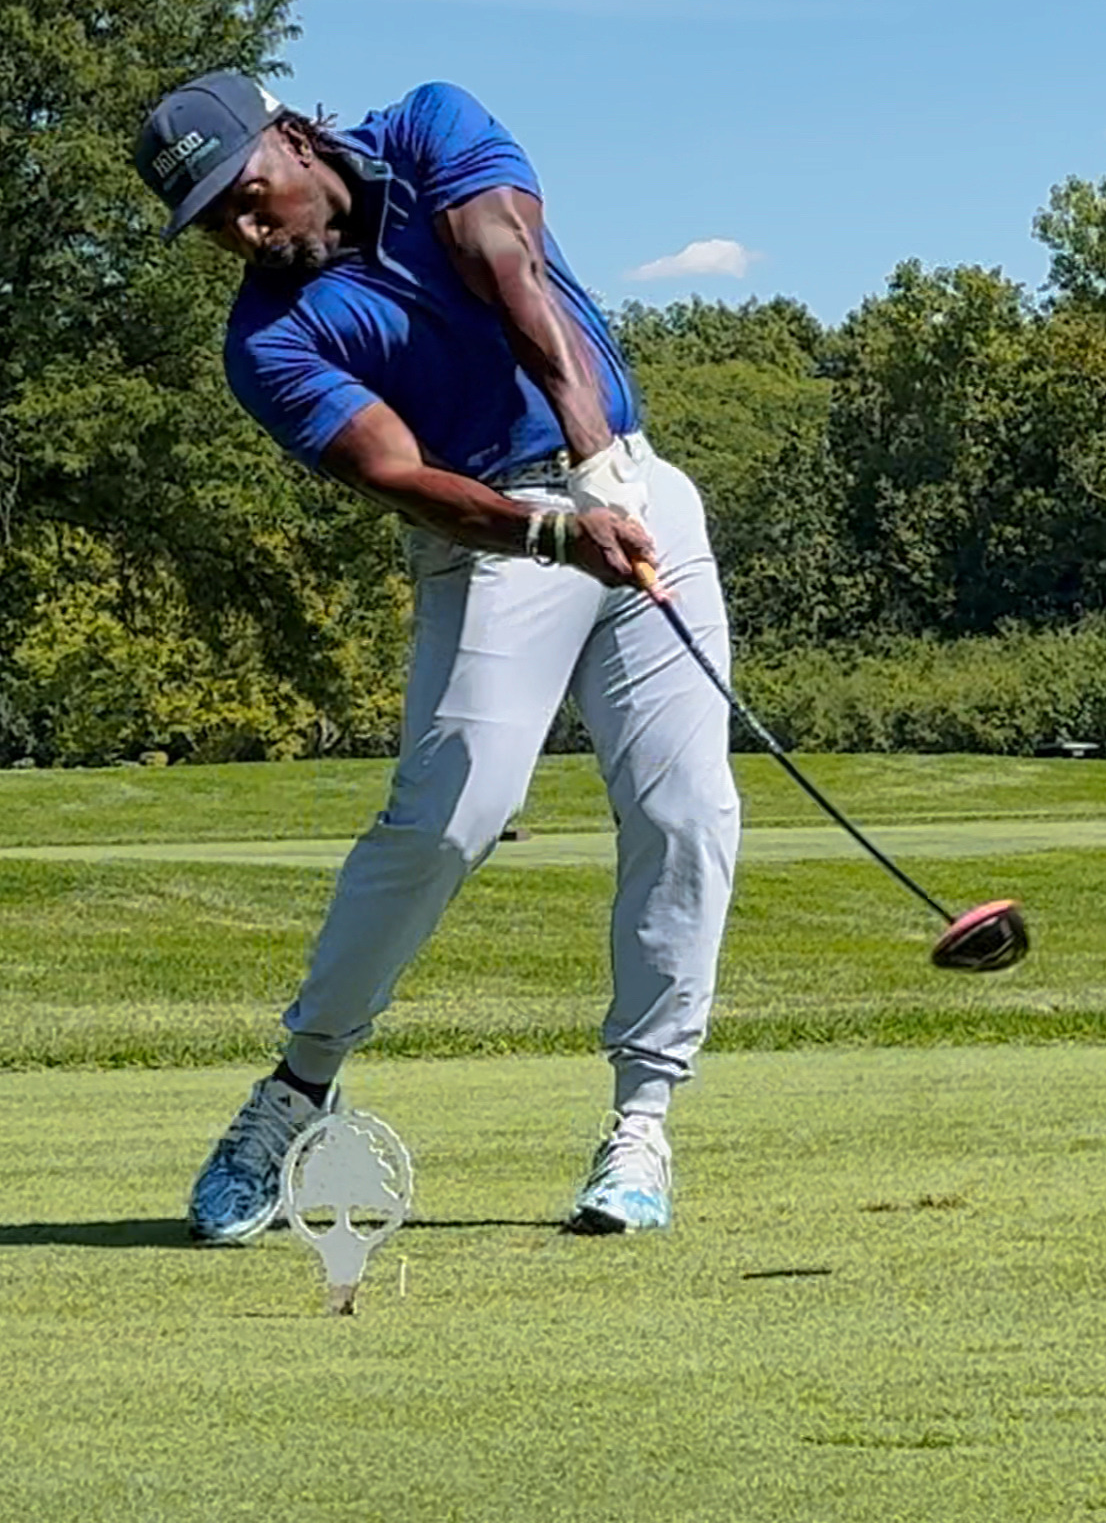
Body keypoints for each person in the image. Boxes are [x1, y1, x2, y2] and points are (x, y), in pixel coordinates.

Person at [133, 69, 743, 1237]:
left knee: (687, 811)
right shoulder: (267, 339)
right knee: (449, 815)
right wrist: (559, 524)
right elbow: (398, 478)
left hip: (633, 483)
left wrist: (599, 461)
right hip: (497, 541)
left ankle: (642, 1127)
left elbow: (503, 258)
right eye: (216, 224)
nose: (247, 232)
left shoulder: (427, 127)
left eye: (250, 195)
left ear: (296, 138)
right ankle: (294, 1089)